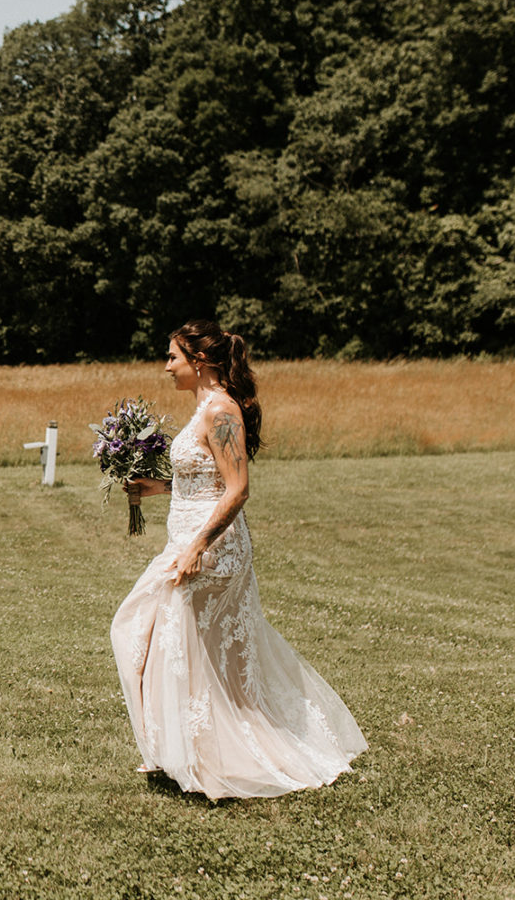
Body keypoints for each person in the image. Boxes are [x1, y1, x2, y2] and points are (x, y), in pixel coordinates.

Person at [109, 320, 366, 799]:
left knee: (150, 635)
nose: (166, 367)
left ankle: (200, 758)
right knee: (167, 643)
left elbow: (237, 489)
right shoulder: (204, 407)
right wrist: (156, 487)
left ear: (199, 361)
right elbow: (200, 480)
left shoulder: (222, 411)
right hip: (188, 544)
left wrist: (197, 547)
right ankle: (181, 752)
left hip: (211, 550)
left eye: (172, 357)